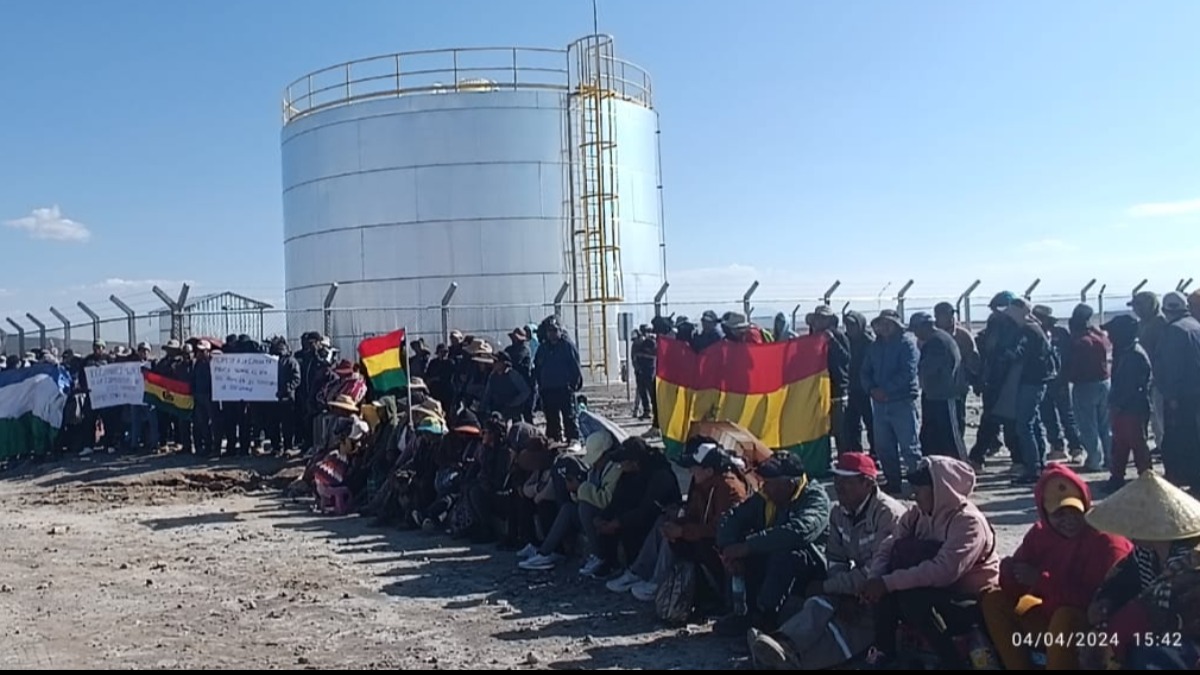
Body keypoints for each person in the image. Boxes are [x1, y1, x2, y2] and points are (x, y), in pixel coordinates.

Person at [749, 452, 905, 670]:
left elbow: (875, 570)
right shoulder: (839, 512)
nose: (839, 486)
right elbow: (836, 559)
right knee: (821, 603)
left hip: (886, 590)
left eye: (847, 481)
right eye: (837, 479)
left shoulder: (887, 514)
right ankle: (784, 643)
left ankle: (795, 661)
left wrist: (832, 587)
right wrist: (839, 592)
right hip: (857, 586)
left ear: (867, 484)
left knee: (851, 627)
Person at [981, 464, 1132, 669]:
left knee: (1065, 617)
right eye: (1059, 514)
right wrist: (1011, 571)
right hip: (1050, 618)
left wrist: (1040, 581)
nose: (1069, 520)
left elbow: (1098, 605)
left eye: (1074, 511)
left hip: (1092, 631)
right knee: (994, 599)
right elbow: (1015, 586)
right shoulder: (1040, 534)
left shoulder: (1106, 542)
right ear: (1045, 513)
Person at [860, 456, 1000, 669]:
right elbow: (889, 545)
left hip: (969, 598)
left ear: (941, 489)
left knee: (912, 598)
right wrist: (875, 579)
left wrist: (888, 582)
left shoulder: (968, 522)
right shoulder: (917, 514)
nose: (914, 494)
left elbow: (943, 571)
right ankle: (884, 653)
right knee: (886, 593)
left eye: (920, 488)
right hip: (933, 591)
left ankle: (951, 661)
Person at [1081, 471, 1200, 669]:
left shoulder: (1192, 562)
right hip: (1160, 637)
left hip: (1188, 641)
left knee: (1147, 654)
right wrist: (1106, 601)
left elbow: (1154, 608)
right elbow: (1121, 581)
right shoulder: (1144, 553)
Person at [611, 437, 748, 604]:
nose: (690, 471)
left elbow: (720, 529)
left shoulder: (728, 489)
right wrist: (679, 523)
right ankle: (642, 574)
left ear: (709, 470)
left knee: (677, 538)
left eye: (694, 468)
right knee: (667, 525)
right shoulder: (703, 484)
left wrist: (683, 531)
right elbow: (694, 513)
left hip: (720, 548)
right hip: (706, 537)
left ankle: (658, 583)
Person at [714, 451, 830, 636]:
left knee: (784, 552)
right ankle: (744, 612)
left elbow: (797, 533)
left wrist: (747, 547)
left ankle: (765, 616)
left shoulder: (815, 499)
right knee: (745, 550)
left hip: (810, 565)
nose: (764, 487)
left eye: (770, 483)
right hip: (773, 558)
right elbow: (732, 518)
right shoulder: (766, 497)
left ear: (789, 483)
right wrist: (728, 547)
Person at [595, 438, 682, 584]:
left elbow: (648, 511)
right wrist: (603, 517)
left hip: (656, 519)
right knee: (617, 517)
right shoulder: (630, 473)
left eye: (623, 462)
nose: (620, 466)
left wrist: (618, 523)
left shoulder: (660, 474)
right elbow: (618, 498)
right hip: (639, 513)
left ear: (634, 461)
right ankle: (612, 563)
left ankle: (639, 572)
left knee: (629, 523)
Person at [860, 309, 922, 493]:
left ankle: (918, 484)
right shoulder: (874, 347)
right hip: (879, 404)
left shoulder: (907, 345)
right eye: (881, 324)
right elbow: (865, 371)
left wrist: (886, 390)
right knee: (883, 446)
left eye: (888, 324)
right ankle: (893, 481)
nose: (884, 327)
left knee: (909, 446)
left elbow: (908, 372)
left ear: (896, 325)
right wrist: (871, 389)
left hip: (901, 401)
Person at [1008, 299, 1056, 486]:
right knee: (1033, 422)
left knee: (1024, 425)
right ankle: (1039, 464)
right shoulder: (1035, 327)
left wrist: (1009, 355)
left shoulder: (1028, 330)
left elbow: (1022, 354)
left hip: (1031, 382)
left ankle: (1033, 467)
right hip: (1037, 381)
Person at [1103, 314, 1153, 492]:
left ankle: (1147, 480)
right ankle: (1117, 478)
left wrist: (1119, 405)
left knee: (1137, 444)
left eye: (1112, 333)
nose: (1109, 336)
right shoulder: (1124, 351)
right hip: (1123, 406)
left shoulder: (1134, 354)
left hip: (1132, 407)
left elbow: (1134, 387)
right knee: (1120, 444)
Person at [1155, 291, 1200, 488]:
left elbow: (1172, 366)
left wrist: (1171, 395)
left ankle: (1179, 478)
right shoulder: (1195, 326)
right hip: (1195, 390)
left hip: (1181, 394)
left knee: (1177, 438)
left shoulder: (1174, 331)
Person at [909, 311, 966, 460]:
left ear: (925, 326)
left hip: (946, 396)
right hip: (934, 395)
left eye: (916, 329)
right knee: (931, 436)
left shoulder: (937, 342)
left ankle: (962, 467)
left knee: (951, 437)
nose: (915, 333)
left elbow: (928, 369)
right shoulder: (935, 340)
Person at [1032, 305, 1084, 463]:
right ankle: (1057, 446)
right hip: (1044, 380)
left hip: (1059, 380)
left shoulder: (1060, 334)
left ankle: (1076, 447)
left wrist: (1066, 376)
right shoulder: (1035, 333)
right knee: (1048, 415)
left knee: (1067, 415)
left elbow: (1069, 357)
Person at [1066, 304, 1112, 472]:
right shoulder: (1100, 338)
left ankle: (1094, 459)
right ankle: (1110, 457)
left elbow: (1074, 367)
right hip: (1104, 382)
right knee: (1105, 425)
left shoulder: (1080, 343)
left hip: (1085, 385)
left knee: (1088, 425)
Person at [808, 306, 851, 455]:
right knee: (821, 429)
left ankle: (844, 459)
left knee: (840, 430)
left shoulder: (838, 336)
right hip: (818, 390)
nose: (820, 321)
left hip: (837, 390)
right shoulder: (812, 338)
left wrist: (832, 341)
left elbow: (846, 358)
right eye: (817, 318)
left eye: (823, 318)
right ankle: (825, 460)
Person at [1129, 290, 1170, 450]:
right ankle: (1161, 445)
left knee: (1162, 416)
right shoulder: (1142, 324)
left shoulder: (1160, 324)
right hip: (1148, 378)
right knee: (1155, 417)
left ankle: (1167, 447)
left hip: (1160, 378)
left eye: (1138, 306)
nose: (1135, 310)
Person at [532, 319, 583, 443]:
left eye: (555, 330)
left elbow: (575, 366)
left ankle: (573, 440)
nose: (552, 334)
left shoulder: (567, 346)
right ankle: (554, 440)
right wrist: (540, 384)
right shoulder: (543, 348)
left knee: (569, 416)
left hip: (564, 388)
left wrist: (574, 385)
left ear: (560, 331)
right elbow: (537, 367)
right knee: (551, 417)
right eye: (549, 331)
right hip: (548, 389)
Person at [934, 301, 980, 435]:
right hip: (935, 387)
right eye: (942, 315)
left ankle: (957, 449)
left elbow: (974, 360)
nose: (947, 318)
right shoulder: (930, 333)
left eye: (949, 314)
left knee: (957, 419)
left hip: (956, 386)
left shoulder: (962, 335)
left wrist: (971, 379)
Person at [842, 311, 875, 454]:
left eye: (853, 325)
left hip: (867, 390)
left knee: (872, 423)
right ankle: (856, 453)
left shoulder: (869, 343)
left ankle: (875, 452)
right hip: (850, 389)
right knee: (851, 425)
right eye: (847, 324)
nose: (850, 328)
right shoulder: (844, 341)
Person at [631, 325, 658, 423]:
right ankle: (647, 411)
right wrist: (637, 368)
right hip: (640, 370)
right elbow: (634, 357)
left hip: (649, 370)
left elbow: (655, 354)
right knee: (642, 392)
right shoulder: (637, 343)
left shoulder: (652, 341)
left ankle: (656, 413)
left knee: (652, 392)